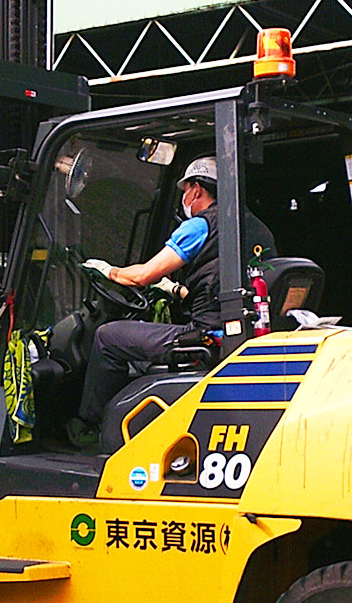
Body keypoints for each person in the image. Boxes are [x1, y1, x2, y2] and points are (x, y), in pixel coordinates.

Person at [68, 156, 274, 448]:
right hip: (239, 332)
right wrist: (175, 290)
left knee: (107, 336)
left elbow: (142, 275)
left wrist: (108, 270)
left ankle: (88, 428)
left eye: (185, 191)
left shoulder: (201, 226)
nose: (184, 198)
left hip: (207, 336)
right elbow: (227, 286)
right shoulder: (258, 230)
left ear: (197, 190)